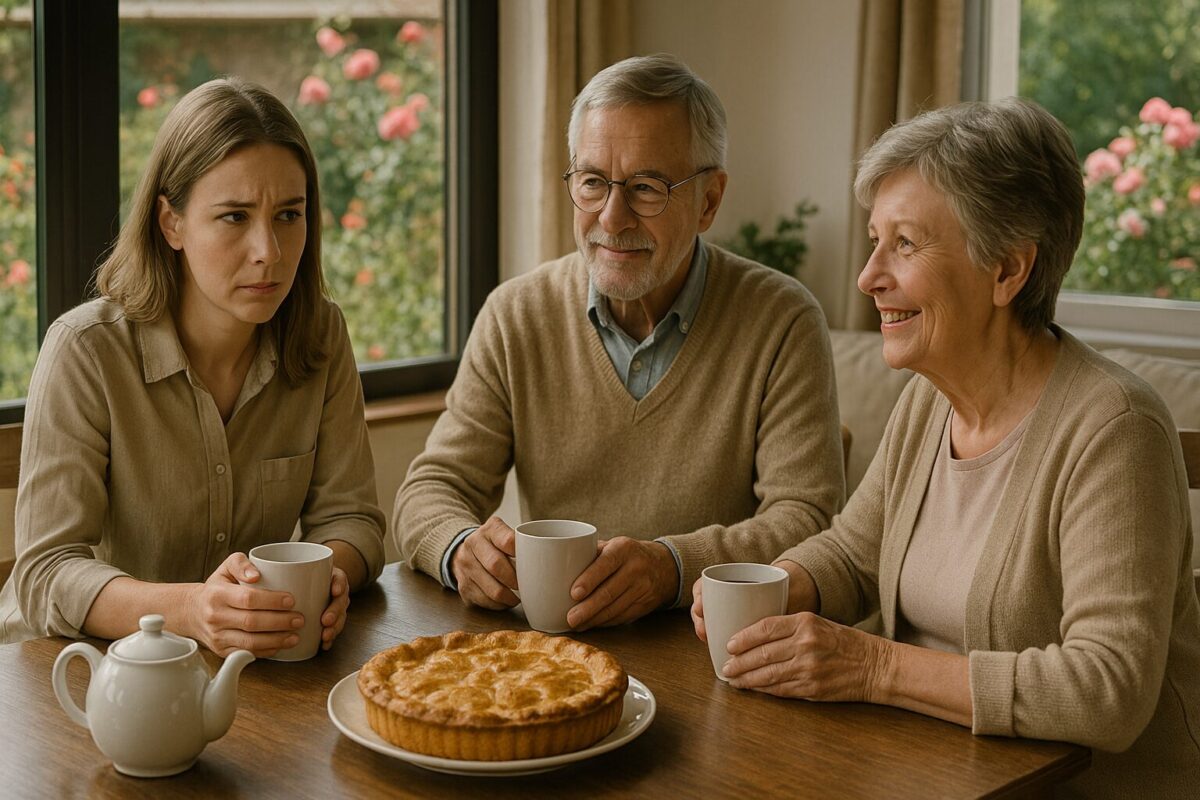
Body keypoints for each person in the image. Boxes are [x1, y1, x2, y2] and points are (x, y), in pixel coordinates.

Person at [692, 97, 1200, 796]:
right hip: (927, 773)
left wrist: (872, 667)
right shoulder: (929, 401)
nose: (869, 276)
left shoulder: (1114, 429)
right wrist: (768, 590)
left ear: (1007, 271)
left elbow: (1107, 688)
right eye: (875, 240)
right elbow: (852, 552)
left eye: (904, 243)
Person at [394, 54, 844, 630]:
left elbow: (806, 519)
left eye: (647, 188)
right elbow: (430, 489)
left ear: (709, 200)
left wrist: (674, 569)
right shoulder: (516, 315)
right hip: (550, 657)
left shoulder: (782, 320)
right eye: (592, 182)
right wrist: (459, 549)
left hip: (715, 655)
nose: (612, 217)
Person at [0, 78, 386, 657]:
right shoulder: (86, 351)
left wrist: (328, 576)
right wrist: (189, 609)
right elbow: (45, 574)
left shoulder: (321, 334)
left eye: (288, 214)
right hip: (68, 676)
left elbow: (353, 520)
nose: (269, 251)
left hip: (241, 677)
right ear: (171, 223)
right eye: (234, 217)